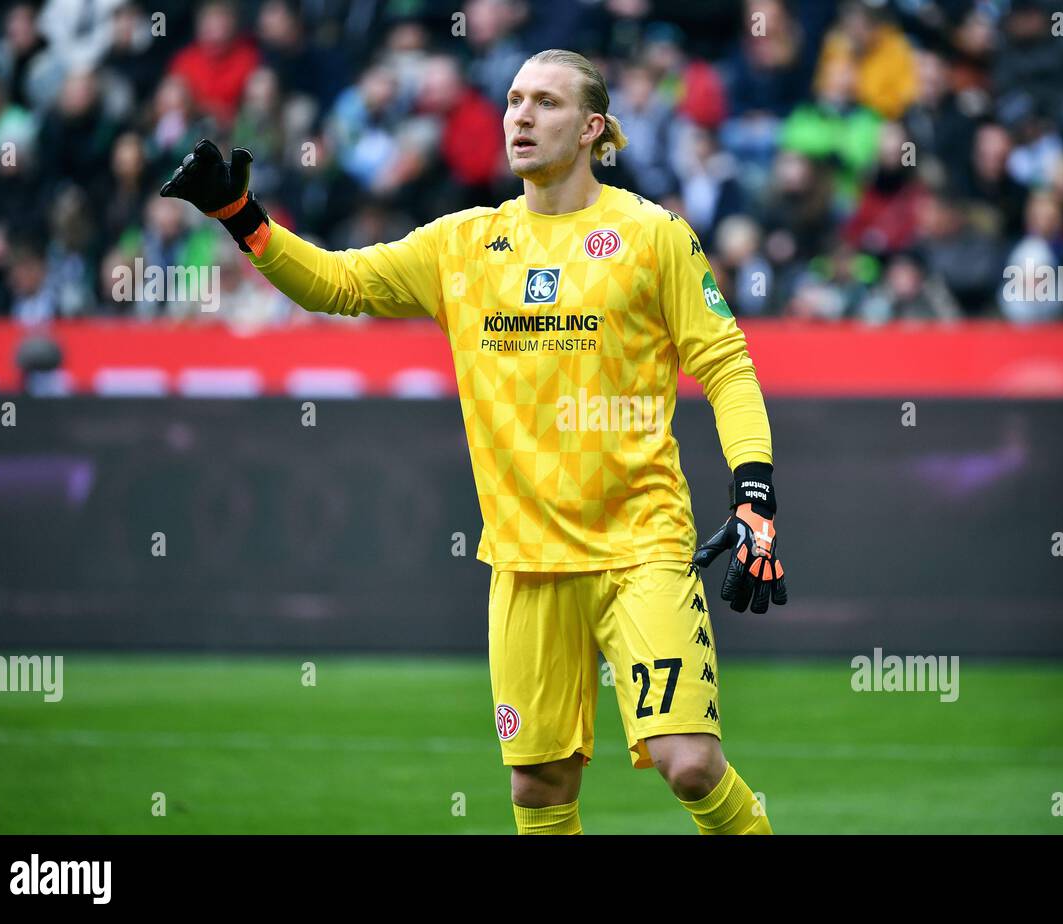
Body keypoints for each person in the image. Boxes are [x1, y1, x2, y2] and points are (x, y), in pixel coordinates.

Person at [159, 48, 787, 835]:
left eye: (546, 103)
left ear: (593, 128)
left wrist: (754, 492)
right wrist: (242, 219)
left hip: (641, 545)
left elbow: (726, 365)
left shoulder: (652, 235)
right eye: (515, 100)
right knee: (540, 788)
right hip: (523, 561)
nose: (521, 116)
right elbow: (337, 283)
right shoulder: (463, 244)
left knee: (688, 762)